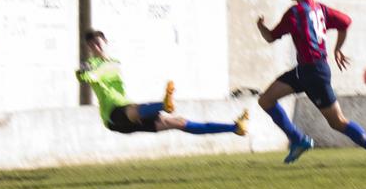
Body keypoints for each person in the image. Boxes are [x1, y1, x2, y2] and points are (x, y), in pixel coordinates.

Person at [255, 0, 366, 176]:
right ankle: (298, 139)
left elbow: (270, 37)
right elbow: (345, 22)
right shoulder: (320, 9)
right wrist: (337, 48)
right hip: (305, 70)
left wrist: (260, 26)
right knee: (266, 100)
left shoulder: (295, 12)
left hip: (314, 73)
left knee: (337, 122)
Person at [76, 29, 249, 136]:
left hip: (128, 112)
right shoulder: (93, 65)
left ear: (106, 42)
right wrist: (83, 71)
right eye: (92, 46)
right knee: (133, 111)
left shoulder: (115, 63)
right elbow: (86, 76)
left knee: (179, 122)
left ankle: (235, 128)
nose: (96, 48)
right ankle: (163, 104)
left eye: (98, 43)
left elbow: (103, 72)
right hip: (113, 116)